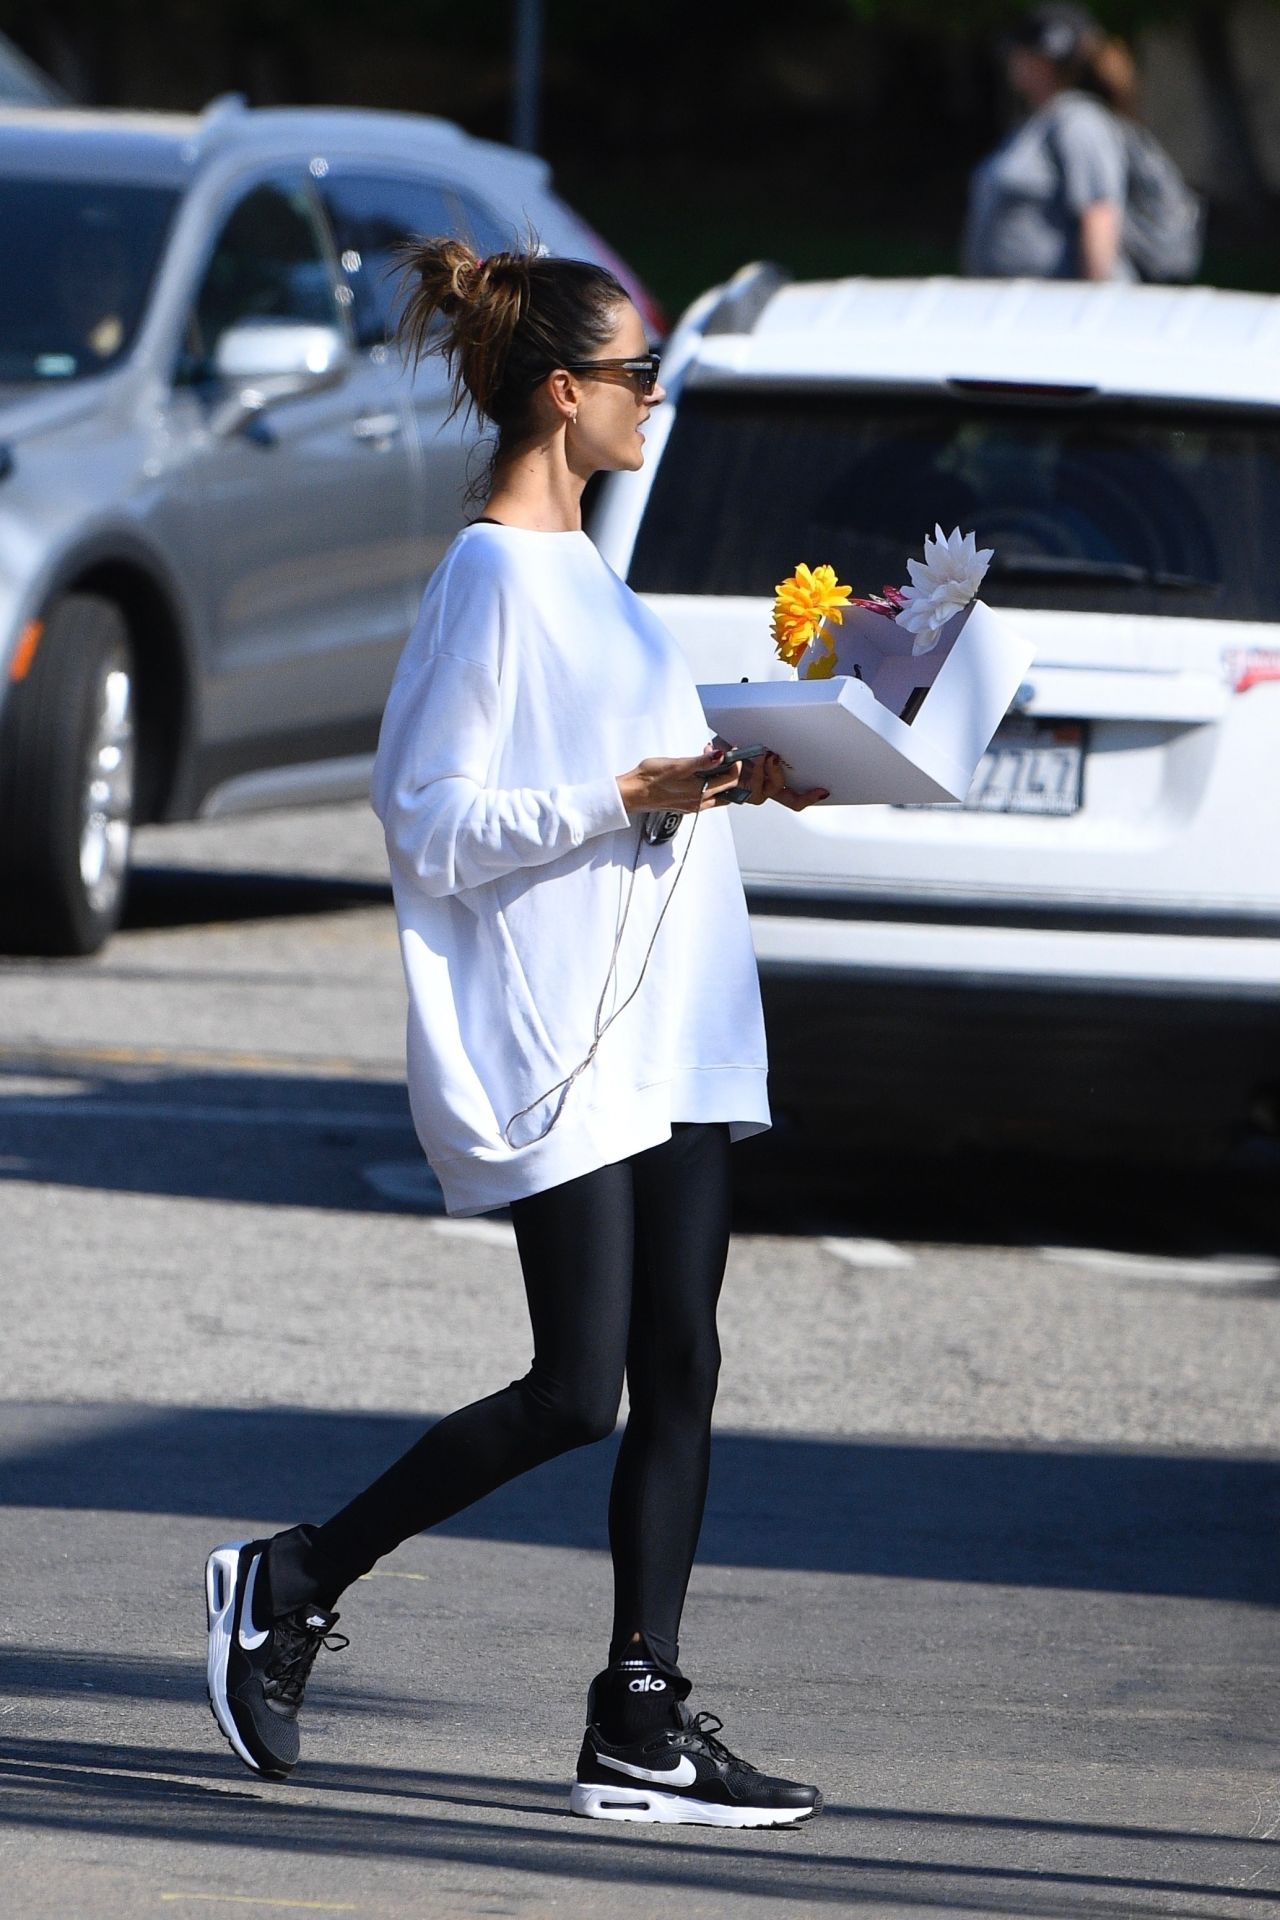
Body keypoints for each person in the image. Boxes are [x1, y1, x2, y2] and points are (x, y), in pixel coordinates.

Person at [203, 239, 827, 1829]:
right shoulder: (487, 574)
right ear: (566, 394)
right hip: (568, 1034)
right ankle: (292, 1578)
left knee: (681, 1365)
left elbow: (624, 764)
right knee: (578, 1388)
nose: (651, 400)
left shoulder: (588, 574)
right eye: (634, 378)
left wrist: (749, 765)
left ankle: (641, 1711)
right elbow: (426, 818)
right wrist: (622, 794)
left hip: (668, 1013)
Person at [964, 3, 1139, 282]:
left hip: (1055, 312)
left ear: (1040, 59)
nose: (1011, 59)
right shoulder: (1039, 121)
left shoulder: (1079, 121)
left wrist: (1094, 311)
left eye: (1018, 51)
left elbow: (1099, 214)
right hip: (1019, 309)